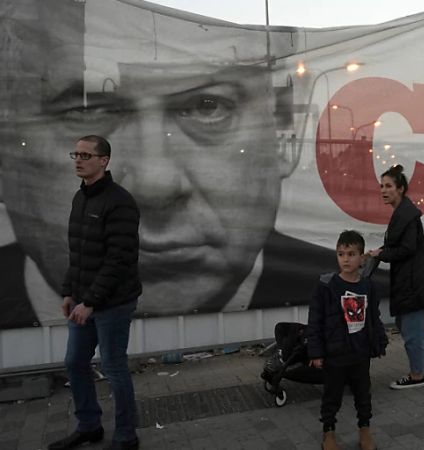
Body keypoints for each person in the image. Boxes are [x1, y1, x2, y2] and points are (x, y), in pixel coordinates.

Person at [0, 0, 347, 330]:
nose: (155, 184)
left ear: (285, 130)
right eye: (87, 111)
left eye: (208, 106)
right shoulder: (342, 283)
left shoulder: (344, 281)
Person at [49, 136, 141, 450]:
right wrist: (68, 292)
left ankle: (126, 436)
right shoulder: (81, 197)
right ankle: (89, 426)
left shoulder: (120, 202)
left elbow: (118, 260)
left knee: (114, 367)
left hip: (113, 302)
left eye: (86, 154)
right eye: (75, 153)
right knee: (75, 362)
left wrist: (90, 302)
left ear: (104, 161)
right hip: (83, 299)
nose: (78, 159)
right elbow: (79, 254)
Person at [368, 165, 424, 389]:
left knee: (412, 332)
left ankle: (417, 376)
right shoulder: (403, 212)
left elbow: (406, 249)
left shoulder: (407, 215)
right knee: (406, 325)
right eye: (381, 186)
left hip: (414, 283)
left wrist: (381, 253)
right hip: (410, 280)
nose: (383, 190)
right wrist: (382, 252)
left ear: (401, 189)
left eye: (388, 186)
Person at [307, 230, 387, 450]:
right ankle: (328, 434)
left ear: (362, 258)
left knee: (363, 395)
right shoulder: (326, 286)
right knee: (331, 397)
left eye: (351, 254)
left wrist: (379, 342)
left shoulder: (368, 286)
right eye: (341, 253)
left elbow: (374, 317)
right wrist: (316, 352)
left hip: (360, 354)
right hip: (335, 355)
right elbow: (315, 320)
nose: (345, 259)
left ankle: (365, 431)